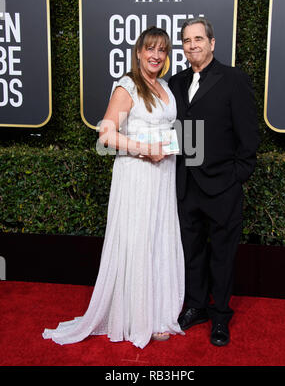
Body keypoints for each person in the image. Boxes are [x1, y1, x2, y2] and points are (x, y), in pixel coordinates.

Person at [42, 26, 185, 349]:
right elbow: (105, 135)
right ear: (138, 52)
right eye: (150, 49)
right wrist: (144, 148)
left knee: (158, 238)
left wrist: (171, 145)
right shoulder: (128, 86)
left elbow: (169, 128)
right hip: (136, 175)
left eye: (162, 50)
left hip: (163, 176)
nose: (156, 55)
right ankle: (137, 316)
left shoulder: (163, 85)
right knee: (137, 240)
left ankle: (160, 313)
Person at [168, 17, 259, 346]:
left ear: (212, 43)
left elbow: (249, 136)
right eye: (186, 40)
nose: (192, 45)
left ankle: (220, 315)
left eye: (198, 39)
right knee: (191, 252)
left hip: (222, 187)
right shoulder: (175, 82)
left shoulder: (233, 79)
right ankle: (195, 306)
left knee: (222, 253)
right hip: (185, 184)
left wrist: (236, 177)